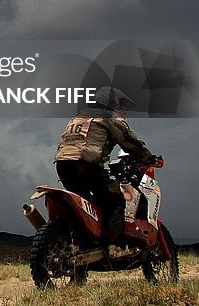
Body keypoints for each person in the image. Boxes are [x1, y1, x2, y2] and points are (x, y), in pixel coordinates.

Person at [54, 86, 153, 242]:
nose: (120, 107)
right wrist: (147, 157)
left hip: (63, 164)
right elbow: (127, 139)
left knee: (87, 202)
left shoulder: (79, 117)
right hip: (85, 165)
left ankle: (84, 242)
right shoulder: (107, 116)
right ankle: (111, 243)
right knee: (116, 200)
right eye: (119, 103)